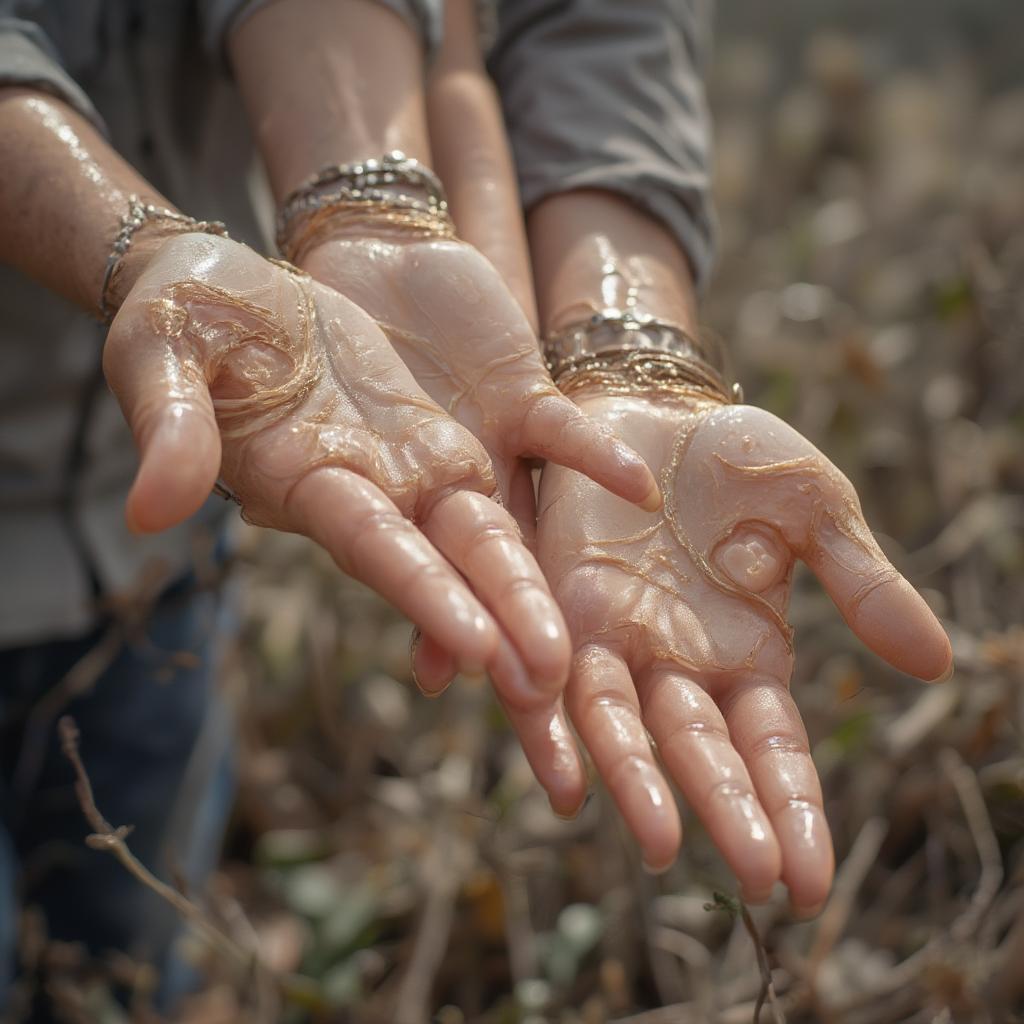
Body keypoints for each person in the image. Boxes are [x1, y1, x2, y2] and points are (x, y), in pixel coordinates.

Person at [0, 0, 953, 1014]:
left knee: (130, 941)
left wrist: (631, 353)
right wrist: (138, 245)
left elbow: (595, 23)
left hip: (154, 553)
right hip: (163, 457)